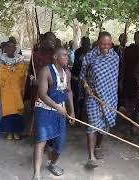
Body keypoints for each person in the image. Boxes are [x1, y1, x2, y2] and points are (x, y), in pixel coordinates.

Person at [32, 47, 75, 179]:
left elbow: (68, 92)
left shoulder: (67, 73)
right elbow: (42, 94)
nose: (67, 58)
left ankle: (52, 163)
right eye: (64, 55)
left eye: (67, 56)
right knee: (41, 140)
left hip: (60, 111)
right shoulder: (46, 71)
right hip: (44, 110)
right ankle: (37, 174)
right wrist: (57, 107)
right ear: (55, 57)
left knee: (60, 143)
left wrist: (72, 112)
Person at [79, 31, 119, 168]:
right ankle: (91, 157)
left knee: (104, 125)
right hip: (93, 97)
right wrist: (86, 87)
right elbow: (82, 76)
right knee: (92, 125)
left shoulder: (115, 57)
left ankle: (98, 147)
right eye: (103, 44)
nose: (105, 46)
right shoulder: (90, 57)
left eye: (108, 44)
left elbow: (113, 79)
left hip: (109, 97)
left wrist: (108, 96)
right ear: (98, 42)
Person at [24, 32, 56, 131]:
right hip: (38, 88)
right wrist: (33, 78)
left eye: (54, 40)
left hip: (51, 87)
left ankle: (49, 134)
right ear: (45, 40)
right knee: (38, 109)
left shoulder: (55, 54)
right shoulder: (36, 54)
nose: (53, 42)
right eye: (51, 40)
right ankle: (38, 134)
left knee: (51, 109)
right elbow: (30, 71)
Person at [0, 40, 26, 140]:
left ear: (15, 49)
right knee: (7, 111)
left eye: (13, 47)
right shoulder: (0, 60)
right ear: (5, 48)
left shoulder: (19, 60)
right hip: (5, 91)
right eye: (8, 47)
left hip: (16, 90)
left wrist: (15, 69)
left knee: (17, 110)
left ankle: (16, 131)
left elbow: (22, 75)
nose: (10, 49)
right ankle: (8, 132)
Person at [122, 31, 139, 129]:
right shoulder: (129, 49)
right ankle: (129, 119)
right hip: (128, 78)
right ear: (134, 38)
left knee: (138, 101)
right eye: (137, 37)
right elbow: (123, 64)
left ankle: (134, 121)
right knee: (129, 101)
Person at [71, 37, 91, 119]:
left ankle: (80, 116)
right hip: (76, 78)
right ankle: (75, 115)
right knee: (76, 98)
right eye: (84, 43)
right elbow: (77, 65)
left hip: (86, 80)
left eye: (87, 43)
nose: (86, 45)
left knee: (83, 99)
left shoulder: (91, 53)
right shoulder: (78, 52)